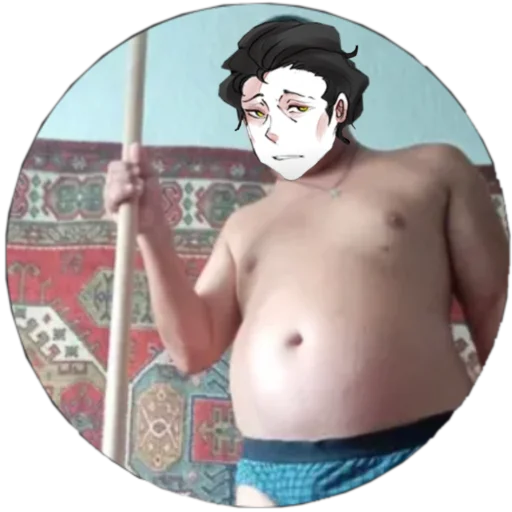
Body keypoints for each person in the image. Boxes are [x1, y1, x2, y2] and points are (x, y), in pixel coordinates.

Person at [104, 17, 509, 507]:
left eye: (292, 106)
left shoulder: (432, 170)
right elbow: (192, 350)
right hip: (269, 476)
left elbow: (494, 303)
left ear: (338, 105)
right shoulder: (244, 225)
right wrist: (150, 231)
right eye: (257, 113)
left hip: (408, 446)